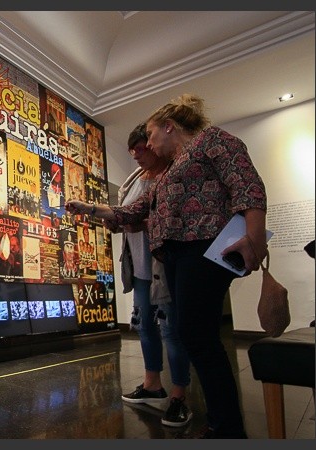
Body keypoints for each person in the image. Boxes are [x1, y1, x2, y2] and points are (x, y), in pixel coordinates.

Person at [67, 94, 267, 439]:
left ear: (169, 126)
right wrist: (90, 208)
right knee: (196, 335)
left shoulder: (212, 140)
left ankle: (227, 429)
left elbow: (247, 186)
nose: (148, 143)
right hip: (176, 256)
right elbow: (135, 210)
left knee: (197, 336)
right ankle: (223, 424)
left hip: (201, 247)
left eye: (150, 133)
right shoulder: (168, 171)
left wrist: (255, 237)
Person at [107, 123, 192, 427]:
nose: (137, 156)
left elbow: (178, 218)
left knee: (171, 331)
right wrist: (116, 222)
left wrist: (140, 225)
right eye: (132, 151)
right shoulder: (133, 180)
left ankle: (180, 396)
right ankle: (152, 384)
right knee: (145, 327)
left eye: (142, 149)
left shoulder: (172, 174)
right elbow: (128, 214)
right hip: (140, 266)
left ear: (155, 144)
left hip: (163, 266)